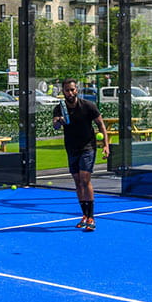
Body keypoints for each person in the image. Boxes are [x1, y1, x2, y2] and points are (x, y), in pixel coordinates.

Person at [52, 78, 109, 231]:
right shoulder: (59, 108)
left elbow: (101, 125)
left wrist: (106, 145)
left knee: (85, 179)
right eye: (67, 90)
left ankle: (91, 217)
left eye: (72, 90)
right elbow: (55, 126)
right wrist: (59, 121)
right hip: (71, 148)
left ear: (76, 90)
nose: (70, 93)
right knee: (77, 182)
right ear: (63, 92)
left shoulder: (88, 106)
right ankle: (84, 215)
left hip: (88, 147)